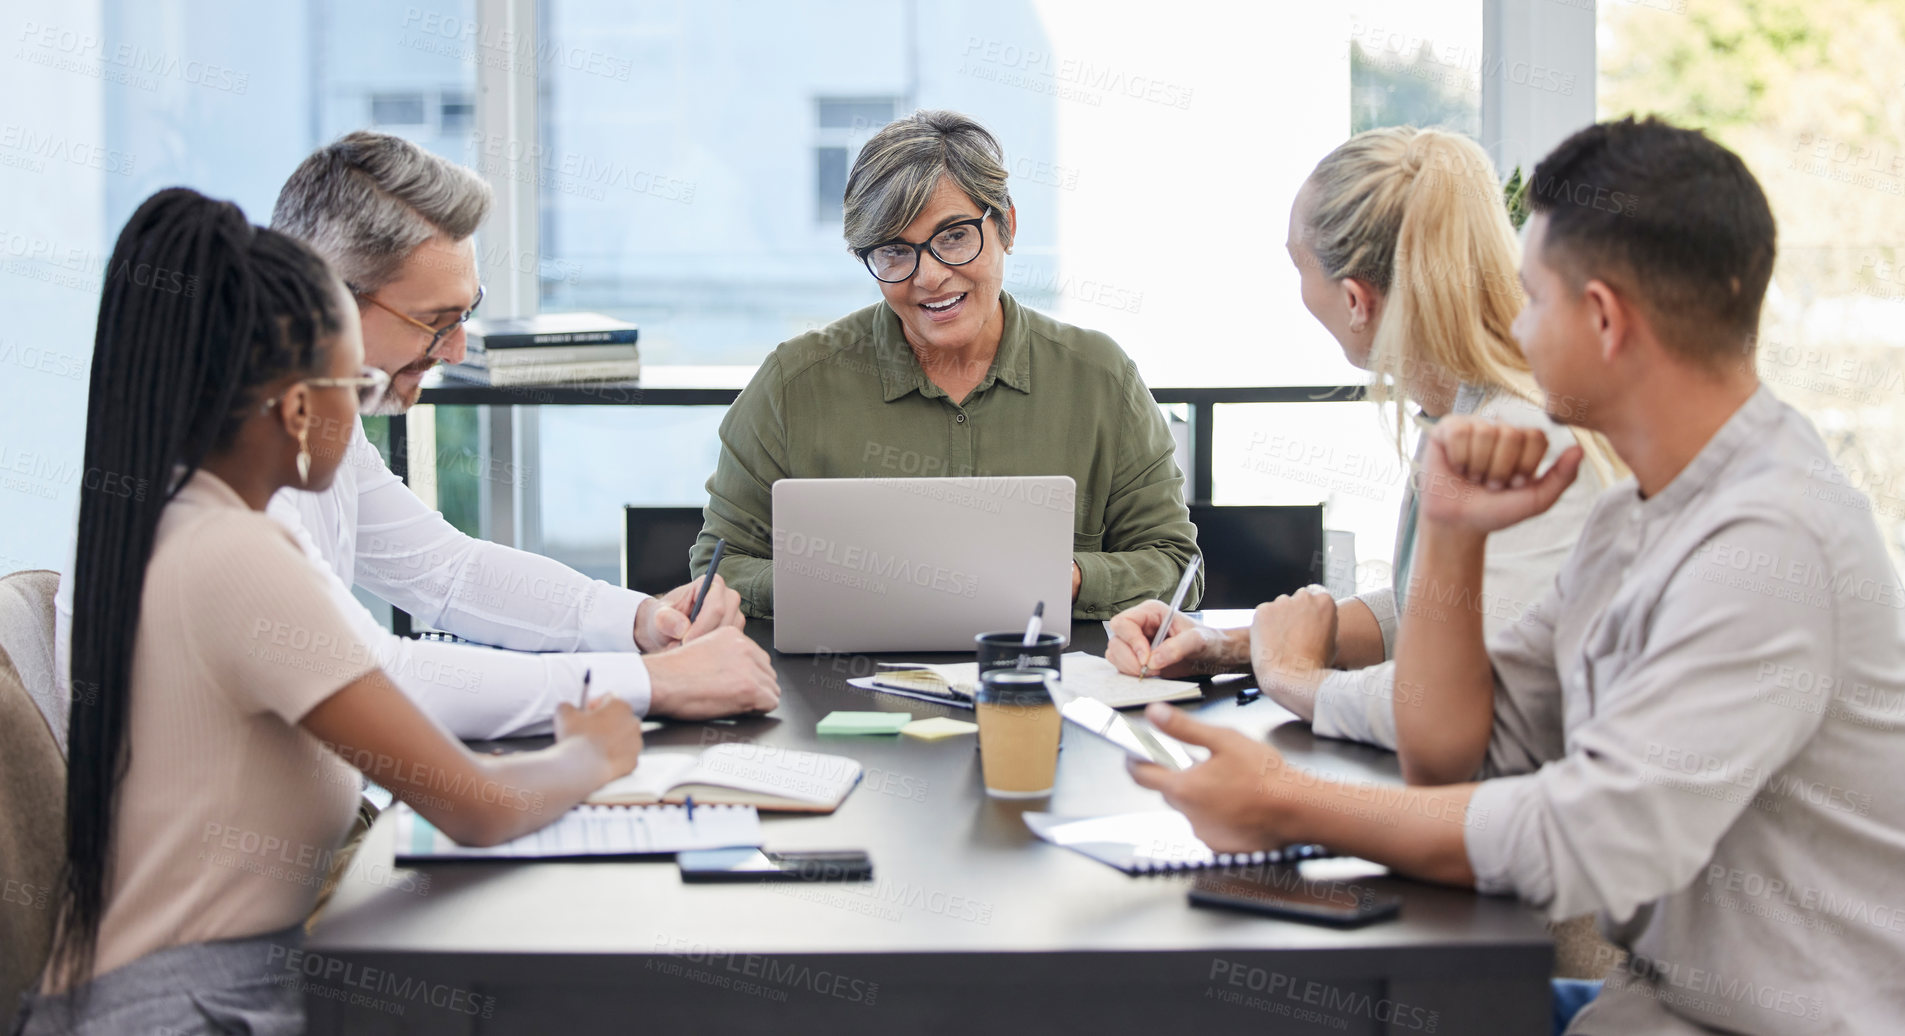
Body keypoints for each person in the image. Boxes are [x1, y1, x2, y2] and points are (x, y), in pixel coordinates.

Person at [1127, 118, 1905, 1035]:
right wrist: (1455, 538)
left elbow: (1580, 838)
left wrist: (1285, 801)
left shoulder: (1771, 544)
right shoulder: (1643, 516)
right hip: (1663, 999)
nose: (1512, 325)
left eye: (1531, 297)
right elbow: (1462, 743)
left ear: (1602, 319)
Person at [21, 189, 641, 1034]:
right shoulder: (235, 556)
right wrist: (594, 751)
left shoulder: (175, 518)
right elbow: (475, 804)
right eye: (356, 381)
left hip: (191, 985)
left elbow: (448, 571)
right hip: (195, 1006)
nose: (370, 406)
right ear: (299, 407)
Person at [48, 131, 778, 745]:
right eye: (438, 321)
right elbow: (383, 676)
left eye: (469, 313)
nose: (458, 351)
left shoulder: (305, 436)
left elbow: (448, 572)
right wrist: (649, 684)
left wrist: (640, 621)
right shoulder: (228, 498)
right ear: (325, 295)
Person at [1106, 127, 1619, 784]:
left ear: (1355, 300)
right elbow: (1434, 612)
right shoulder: (1466, 415)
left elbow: (1474, 713)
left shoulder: (1526, 440)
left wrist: (1294, 676)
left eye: (1298, 267)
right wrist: (1227, 646)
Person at [691, 109, 1200, 620]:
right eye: (894, 250)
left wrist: (1064, 578)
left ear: (1007, 225)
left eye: (954, 235)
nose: (930, 277)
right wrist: (838, 583)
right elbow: (720, 569)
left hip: (1047, 688)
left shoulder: (1101, 379)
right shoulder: (792, 385)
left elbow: (1177, 569)